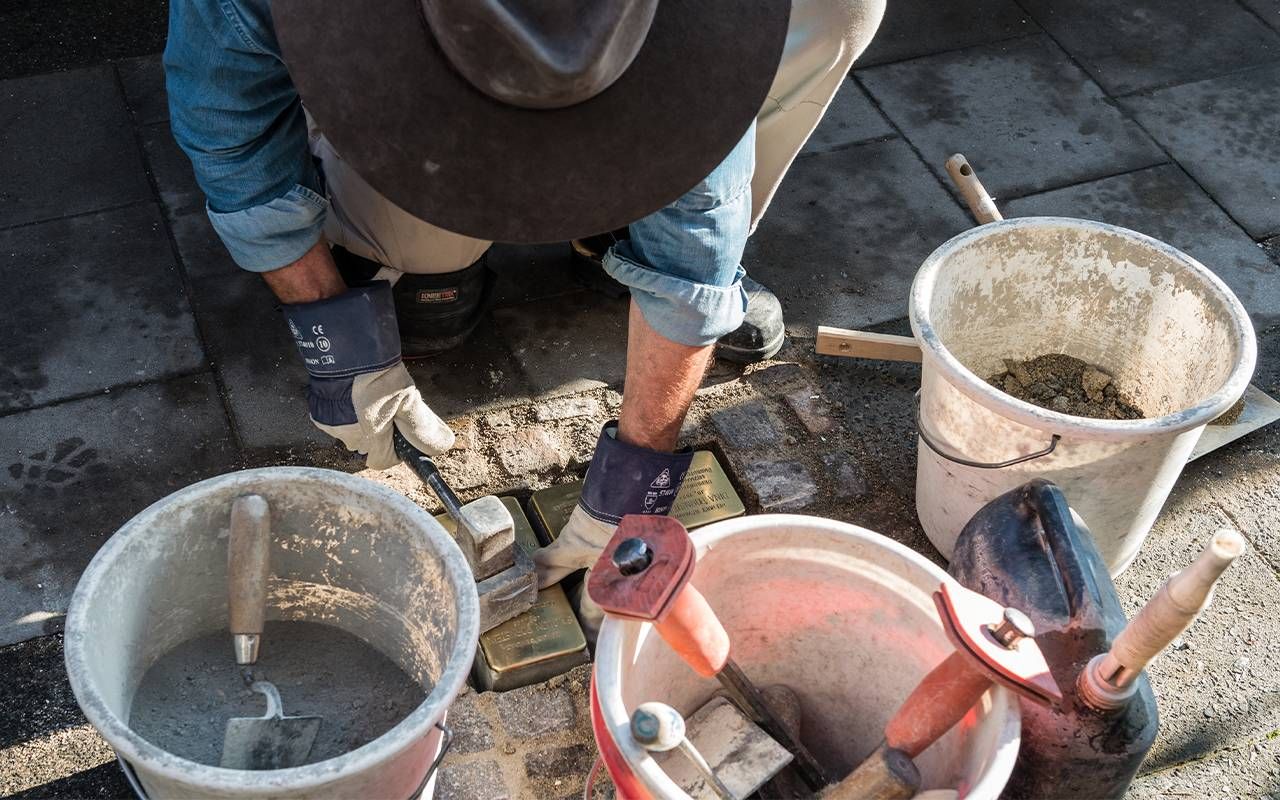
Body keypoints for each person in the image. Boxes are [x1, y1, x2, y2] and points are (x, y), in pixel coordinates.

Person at [164, 0, 884, 601]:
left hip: (654, 59)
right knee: (425, 272)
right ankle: (412, 219)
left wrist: (640, 475)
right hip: (393, 81)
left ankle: (619, 221)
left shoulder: (698, 40)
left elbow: (700, 226)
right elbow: (231, 131)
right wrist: (331, 333)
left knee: (840, 8)